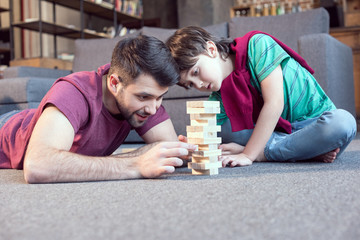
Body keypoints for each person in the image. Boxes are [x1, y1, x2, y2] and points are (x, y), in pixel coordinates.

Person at [0, 35, 196, 183]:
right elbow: (38, 166)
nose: (153, 109)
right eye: (143, 97)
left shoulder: (146, 97)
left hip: (43, 119)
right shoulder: (73, 92)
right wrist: (136, 163)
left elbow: (168, 150)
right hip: (7, 129)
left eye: (160, 97)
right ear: (114, 83)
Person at [166, 26, 357, 167]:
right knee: (221, 129)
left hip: (313, 124)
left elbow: (275, 103)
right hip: (277, 134)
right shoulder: (218, 96)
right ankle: (302, 151)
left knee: (343, 123)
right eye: (190, 84)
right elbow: (205, 136)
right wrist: (190, 147)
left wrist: (249, 154)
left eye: (196, 72)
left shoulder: (258, 44)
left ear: (211, 49)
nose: (198, 84)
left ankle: (265, 153)